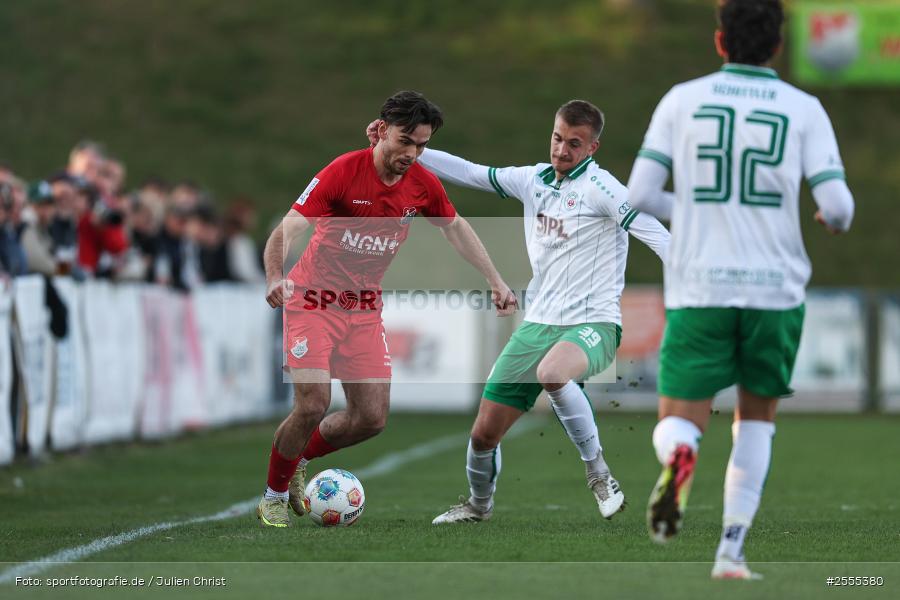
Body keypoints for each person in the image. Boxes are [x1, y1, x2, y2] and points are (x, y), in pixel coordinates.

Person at [626, 0, 855, 580]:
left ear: (720, 42)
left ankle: (681, 456)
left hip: (700, 281)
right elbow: (838, 208)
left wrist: (703, 210)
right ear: (777, 46)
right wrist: (831, 221)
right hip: (775, 288)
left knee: (680, 417)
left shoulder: (682, 99)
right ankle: (730, 552)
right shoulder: (804, 108)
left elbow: (640, 195)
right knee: (756, 419)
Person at [367, 100, 670, 524]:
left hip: (594, 323)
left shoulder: (604, 190)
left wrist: (694, 282)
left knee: (553, 373)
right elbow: (471, 171)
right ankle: (478, 506)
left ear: (593, 148)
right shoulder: (534, 180)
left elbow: (655, 233)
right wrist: (408, 150)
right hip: (537, 325)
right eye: (557, 138)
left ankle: (599, 473)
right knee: (483, 435)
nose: (562, 150)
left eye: (574, 144)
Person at [257, 90, 517, 528]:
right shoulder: (343, 172)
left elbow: (456, 229)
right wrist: (273, 276)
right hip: (312, 303)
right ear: (380, 132)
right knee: (313, 403)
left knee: (371, 419)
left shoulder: (422, 184)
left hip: (363, 310)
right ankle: (273, 495)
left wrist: (495, 279)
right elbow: (291, 226)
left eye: (422, 145)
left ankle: (300, 457)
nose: (412, 154)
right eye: (405, 141)